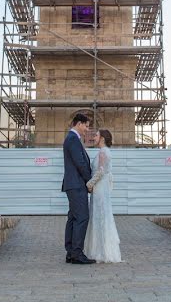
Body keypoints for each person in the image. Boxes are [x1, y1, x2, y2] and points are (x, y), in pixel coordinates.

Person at [62, 113, 96, 264]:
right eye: (86, 126)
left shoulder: (71, 139)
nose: (87, 130)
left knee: (74, 217)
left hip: (72, 185)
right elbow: (80, 163)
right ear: (79, 124)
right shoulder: (73, 139)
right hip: (76, 185)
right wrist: (89, 182)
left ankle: (71, 252)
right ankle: (76, 253)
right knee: (82, 217)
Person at [85, 128, 121, 263]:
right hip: (101, 189)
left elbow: (100, 172)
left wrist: (89, 184)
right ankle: (102, 250)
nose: (94, 137)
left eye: (96, 135)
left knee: (100, 218)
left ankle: (101, 252)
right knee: (101, 217)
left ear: (102, 139)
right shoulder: (104, 152)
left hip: (99, 190)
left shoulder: (103, 152)